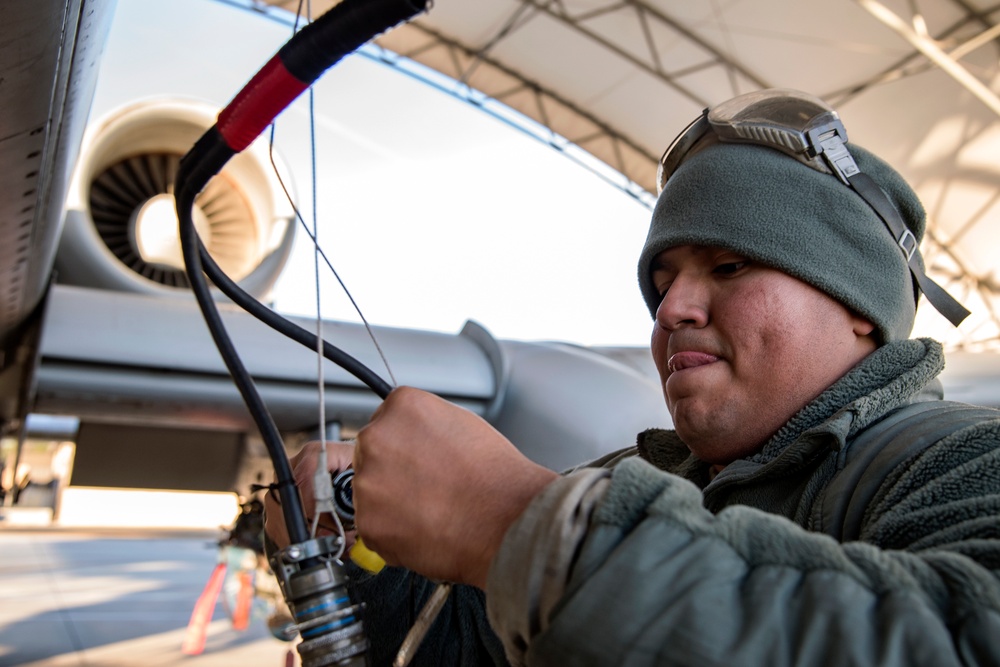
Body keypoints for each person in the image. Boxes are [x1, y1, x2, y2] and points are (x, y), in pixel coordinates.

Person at [265, 88, 1000, 666]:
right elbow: (461, 650)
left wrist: (516, 523)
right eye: (662, 279)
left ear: (858, 306)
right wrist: (358, 551)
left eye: (730, 265)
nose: (671, 307)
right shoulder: (638, 479)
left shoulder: (966, 461)